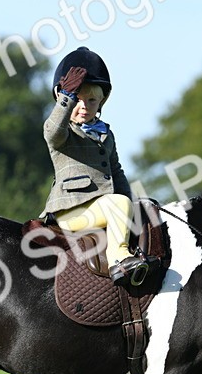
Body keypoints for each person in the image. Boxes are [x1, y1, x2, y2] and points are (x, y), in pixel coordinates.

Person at [41, 47, 147, 287]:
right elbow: (53, 131)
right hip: (71, 210)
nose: (84, 106)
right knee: (118, 204)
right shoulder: (62, 133)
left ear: (101, 101)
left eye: (91, 100)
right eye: (77, 99)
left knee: (128, 205)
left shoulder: (106, 134)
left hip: (102, 206)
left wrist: (133, 203)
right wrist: (66, 97)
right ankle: (118, 258)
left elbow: (116, 172)